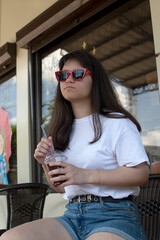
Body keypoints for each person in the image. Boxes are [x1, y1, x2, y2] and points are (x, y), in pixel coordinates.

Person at [1, 50, 149, 240]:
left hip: (114, 214)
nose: (68, 80)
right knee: (11, 237)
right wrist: (46, 164)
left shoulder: (117, 122)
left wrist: (84, 175)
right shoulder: (62, 130)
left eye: (77, 74)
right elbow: (62, 188)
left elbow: (141, 174)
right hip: (72, 215)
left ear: (96, 80)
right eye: (62, 75)